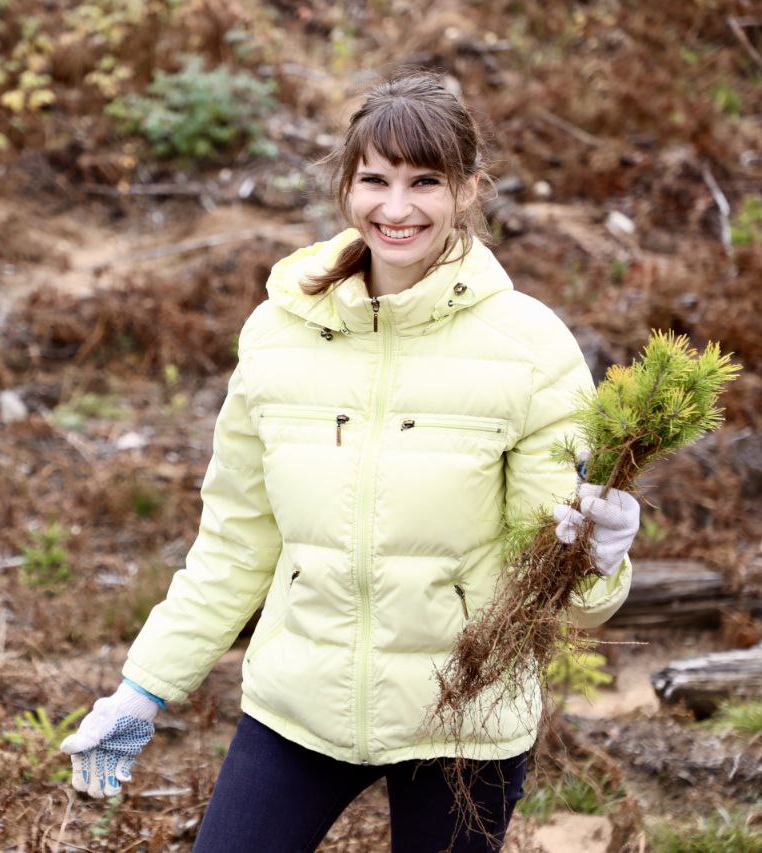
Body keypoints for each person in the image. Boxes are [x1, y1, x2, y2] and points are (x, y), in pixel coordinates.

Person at [59, 70, 640, 852]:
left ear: (469, 190)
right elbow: (235, 541)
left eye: (424, 182)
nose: (395, 209)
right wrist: (143, 688)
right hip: (300, 702)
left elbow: (551, 579)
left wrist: (599, 560)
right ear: (345, 184)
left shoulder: (530, 348)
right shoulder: (277, 332)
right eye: (375, 179)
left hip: (464, 718)